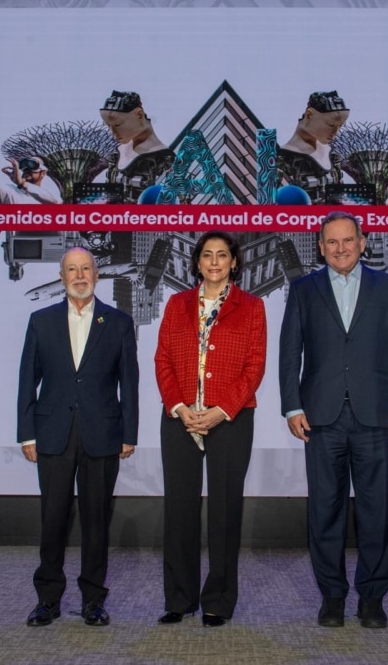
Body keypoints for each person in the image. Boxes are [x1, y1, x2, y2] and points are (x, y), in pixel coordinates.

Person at [278, 212, 388, 630]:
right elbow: (290, 354)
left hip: (375, 416)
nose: (340, 248)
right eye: (331, 242)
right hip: (320, 419)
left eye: (348, 240)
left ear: (362, 242)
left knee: (375, 511)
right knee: (324, 511)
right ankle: (333, 597)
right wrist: (292, 406)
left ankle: (372, 598)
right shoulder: (303, 289)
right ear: (320, 247)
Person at [17, 247, 139, 628]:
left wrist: (129, 432)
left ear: (97, 274)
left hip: (103, 434)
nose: (79, 275)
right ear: (62, 275)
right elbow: (27, 381)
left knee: (96, 520)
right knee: (52, 518)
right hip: (52, 434)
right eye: (72, 269)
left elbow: (129, 384)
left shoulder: (118, 322)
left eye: (86, 268)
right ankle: (47, 600)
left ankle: (93, 600)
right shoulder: (41, 320)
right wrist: (26, 434)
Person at [153, 231, 266, 628]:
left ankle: (217, 599)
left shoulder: (252, 307)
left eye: (222, 255)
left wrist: (220, 410)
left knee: (224, 511)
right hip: (180, 418)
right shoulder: (176, 304)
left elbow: (254, 367)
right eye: (206, 255)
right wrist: (180, 408)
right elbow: (162, 360)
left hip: (230, 420)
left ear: (234, 261)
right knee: (179, 510)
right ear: (197, 262)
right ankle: (179, 598)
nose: (214, 261)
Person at [97, 90, 175, 203]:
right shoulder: (117, 154)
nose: (113, 132)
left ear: (139, 115)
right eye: (108, 126)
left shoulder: (164, 159)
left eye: (118, 124)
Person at [277, 91, 351, 204]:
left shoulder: (332, 155)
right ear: (309, 115)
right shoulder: (284, 158)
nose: (336, 132)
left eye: (339, 126)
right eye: (331, 125)